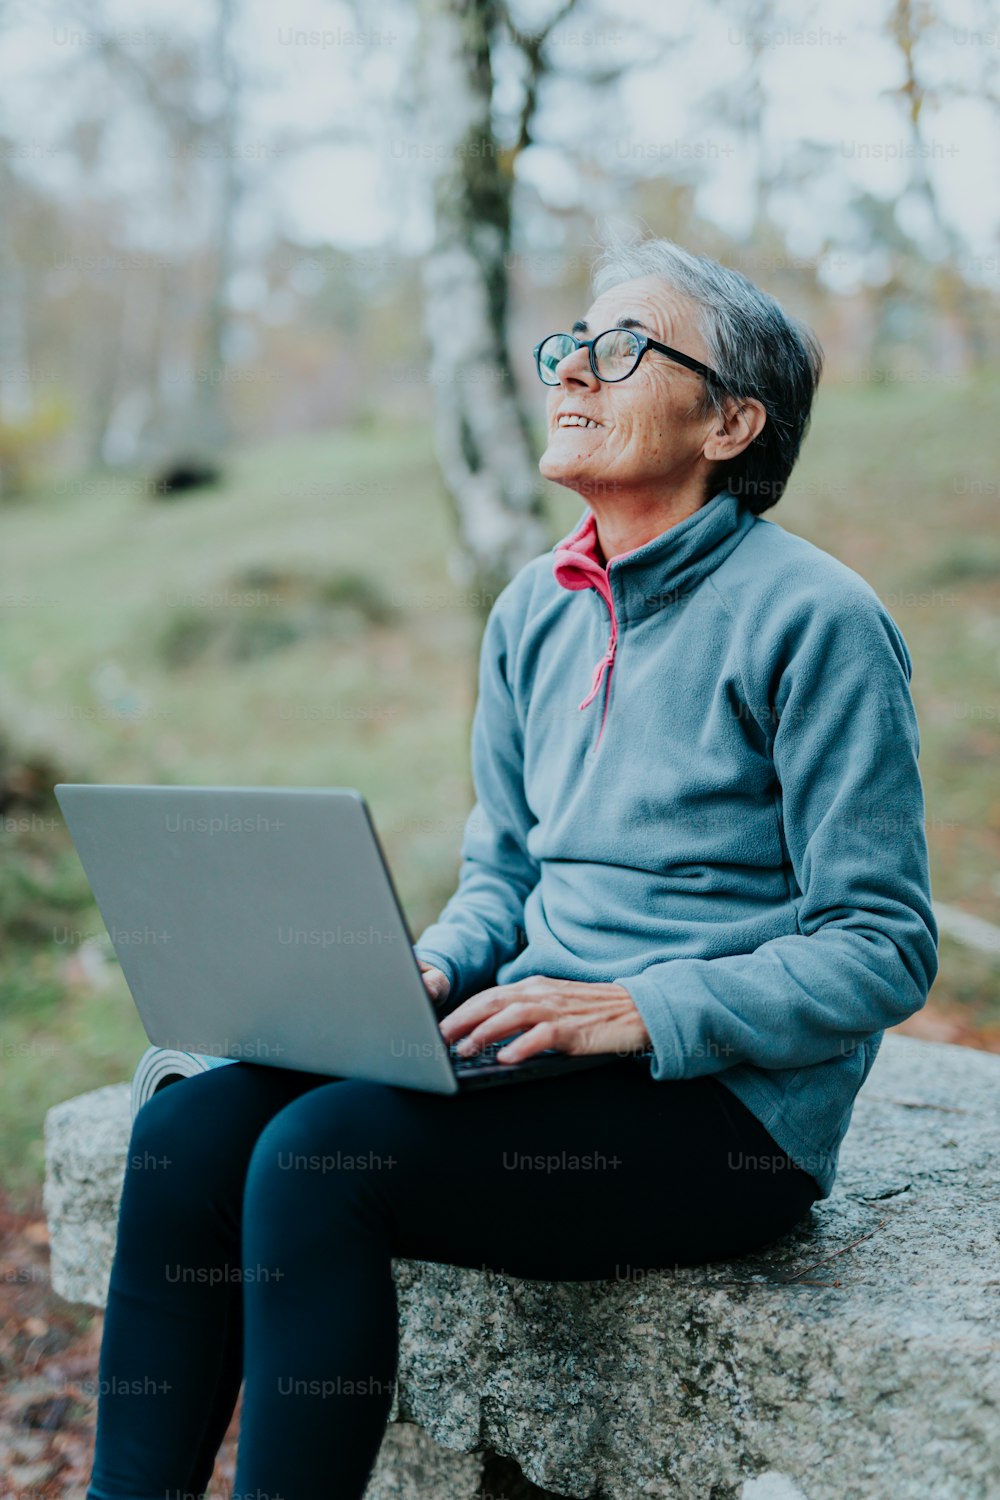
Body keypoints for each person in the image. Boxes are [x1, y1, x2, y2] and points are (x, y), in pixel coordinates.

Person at [85, 236, 937, 1500]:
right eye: (568, 347)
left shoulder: (817, 620)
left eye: (623, 349)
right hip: (532, 1054)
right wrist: (424, 968)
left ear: (731, 421)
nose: (573, 373)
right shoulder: (533, 605)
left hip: (726, 1113)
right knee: (189, 1131)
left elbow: (883, 943)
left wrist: (640, 1008)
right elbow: (504, 871)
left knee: (318, 1157)